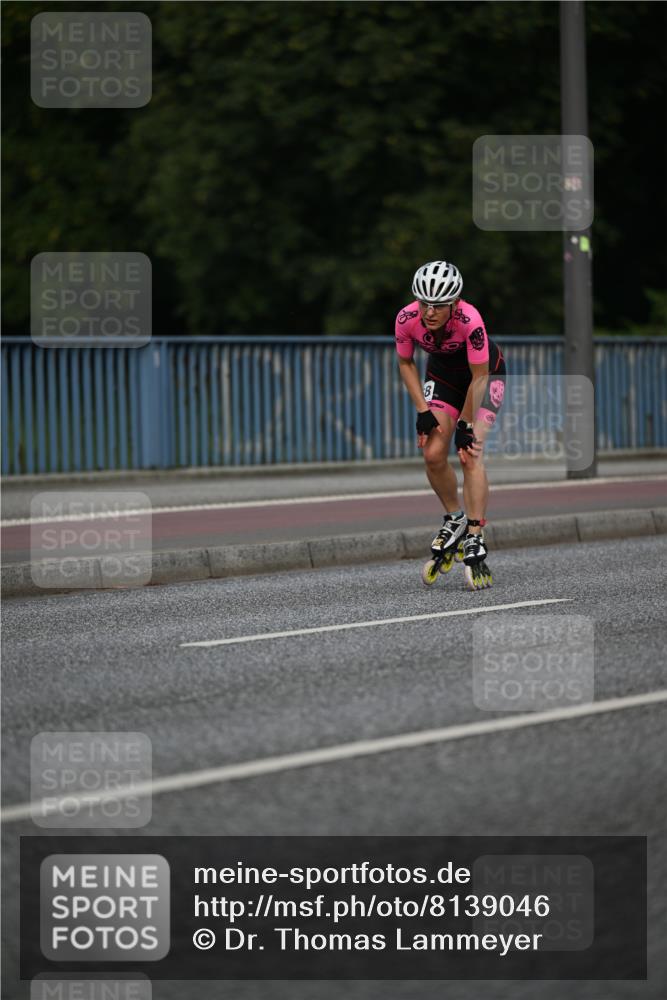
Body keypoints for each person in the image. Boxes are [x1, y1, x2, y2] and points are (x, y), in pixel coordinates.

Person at [394, 260, 506, 589]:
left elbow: (480, 376)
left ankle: (474, 532)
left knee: (470, 452)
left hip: (485, 377)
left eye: (438, 305)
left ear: (454, 304)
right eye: (423, 302)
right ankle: (454, 518)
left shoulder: (470, 320)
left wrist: (467, 422)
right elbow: (405, 362)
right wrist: (422, 410)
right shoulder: (406, 318)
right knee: (432, 453)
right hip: (443, 377)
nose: (429, 312)